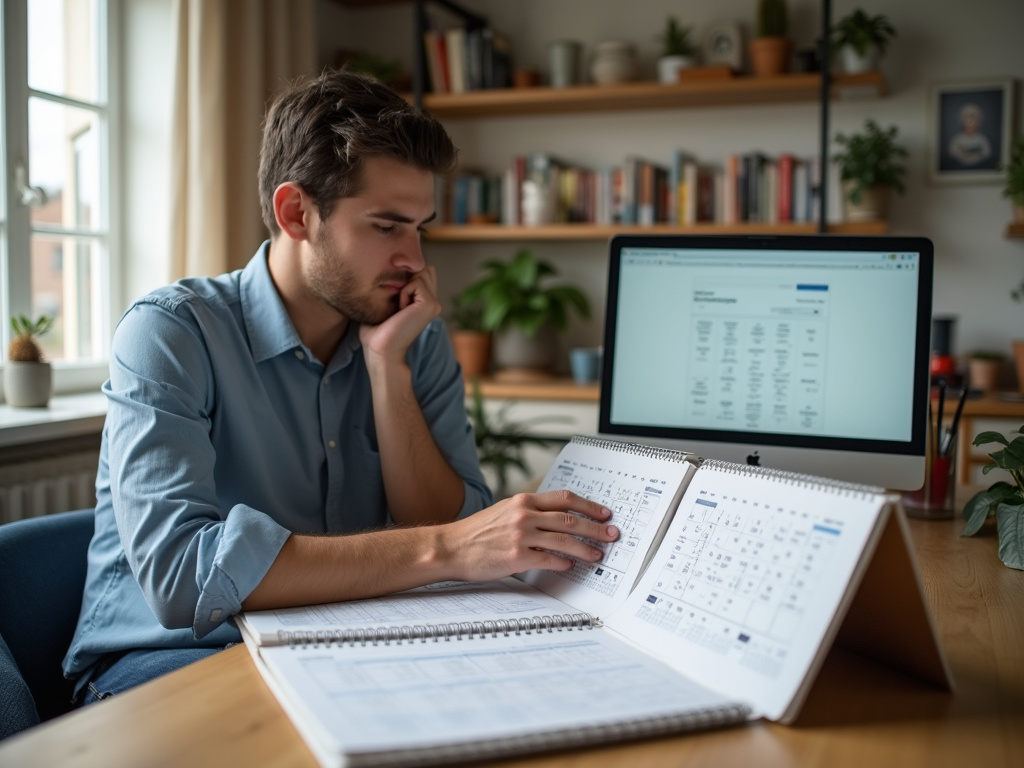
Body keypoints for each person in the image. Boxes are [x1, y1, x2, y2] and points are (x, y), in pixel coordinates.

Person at [63, 69, 619, 705]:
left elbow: (456, 525)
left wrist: (389, 370)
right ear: (296, 213)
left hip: (337, 642)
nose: (413, 258)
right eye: (386, 226)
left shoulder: (410, 332)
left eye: (421, 227)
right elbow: (185, 575)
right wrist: (446, 549)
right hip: (167, 661)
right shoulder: (170, 333)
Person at [948, 102, 992, 166]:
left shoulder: (982, 140)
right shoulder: (956, 140)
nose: (970, 125)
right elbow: (953, 154)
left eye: (973, 121)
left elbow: (986, 154)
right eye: (968, 121)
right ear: (963, 122)